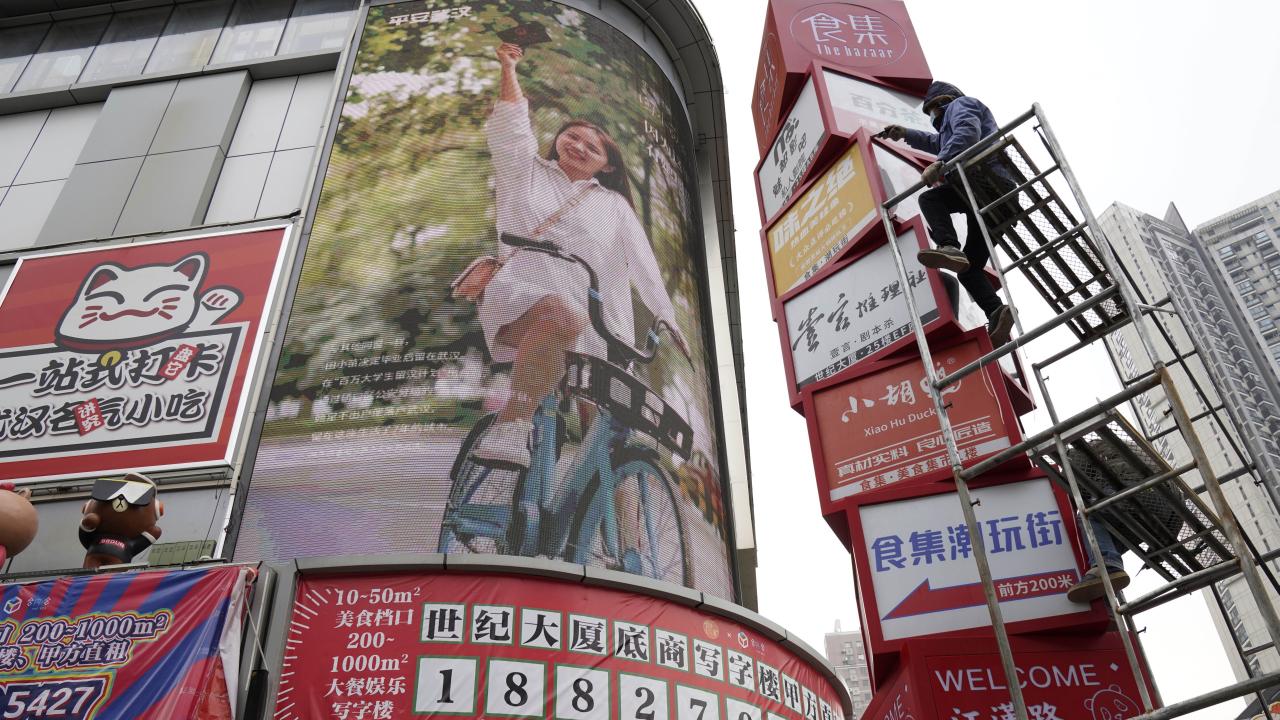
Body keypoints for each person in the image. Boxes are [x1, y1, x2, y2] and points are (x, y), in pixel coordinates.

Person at [453, 41, 687, 469]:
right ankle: (513, 425)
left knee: (607, 441)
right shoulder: (525, 171)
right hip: (523, 298)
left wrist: (666, 316)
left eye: (591, 147)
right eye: (572, 136)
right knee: (562, 316)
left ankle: (630, 537)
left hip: (596, 323)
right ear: (559, 139)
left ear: (607, 167)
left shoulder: (614, 206)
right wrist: (509, 70)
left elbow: (644, 265)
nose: (579, 146)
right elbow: (512, 130)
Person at [882, 81, 1017, 347]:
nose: (932, 115)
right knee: (969, 271)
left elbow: (967, 133)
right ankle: (997, 311)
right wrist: (906, 133)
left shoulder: (960, 105)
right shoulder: (947, 129)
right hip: (992, 198)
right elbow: (937, 141)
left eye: (933, 108)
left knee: (930, 198)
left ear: (944, 101)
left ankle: (949, 246)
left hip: (985, 181)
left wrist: (941, 163)